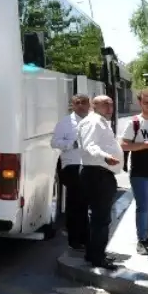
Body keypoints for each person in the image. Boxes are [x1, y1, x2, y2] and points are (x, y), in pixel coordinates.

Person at [77, 95, 123, 271]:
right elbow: (90, 145)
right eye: (105, 104)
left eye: (111, 104)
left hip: (100, 173)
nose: (110, 107)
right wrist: (105, 156)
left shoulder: (100, 121)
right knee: (101, 218)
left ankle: (94, 253)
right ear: (94, 106)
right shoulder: (93, 122)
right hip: (97, 174)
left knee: (98, 218)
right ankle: (97, 257)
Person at [121, 88, 148, 253]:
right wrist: (144, 145)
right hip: (139, 172)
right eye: (145, 102)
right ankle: (141, 240)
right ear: (140, 103)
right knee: (143, 206)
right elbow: (124, 145)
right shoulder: (134, 122)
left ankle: (145, 237)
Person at [51, 94, 91, 251]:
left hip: (89, 166)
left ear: (89, 105)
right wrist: (71, 144)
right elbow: (54, 142)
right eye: (77, 103)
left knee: (86, 205)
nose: (80, 106)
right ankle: (75, 240)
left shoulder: (93, 121)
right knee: (76, 205)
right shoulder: (65, 123)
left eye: (83, 103)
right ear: (72, 106)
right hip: (72, 167)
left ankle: (86, 238)